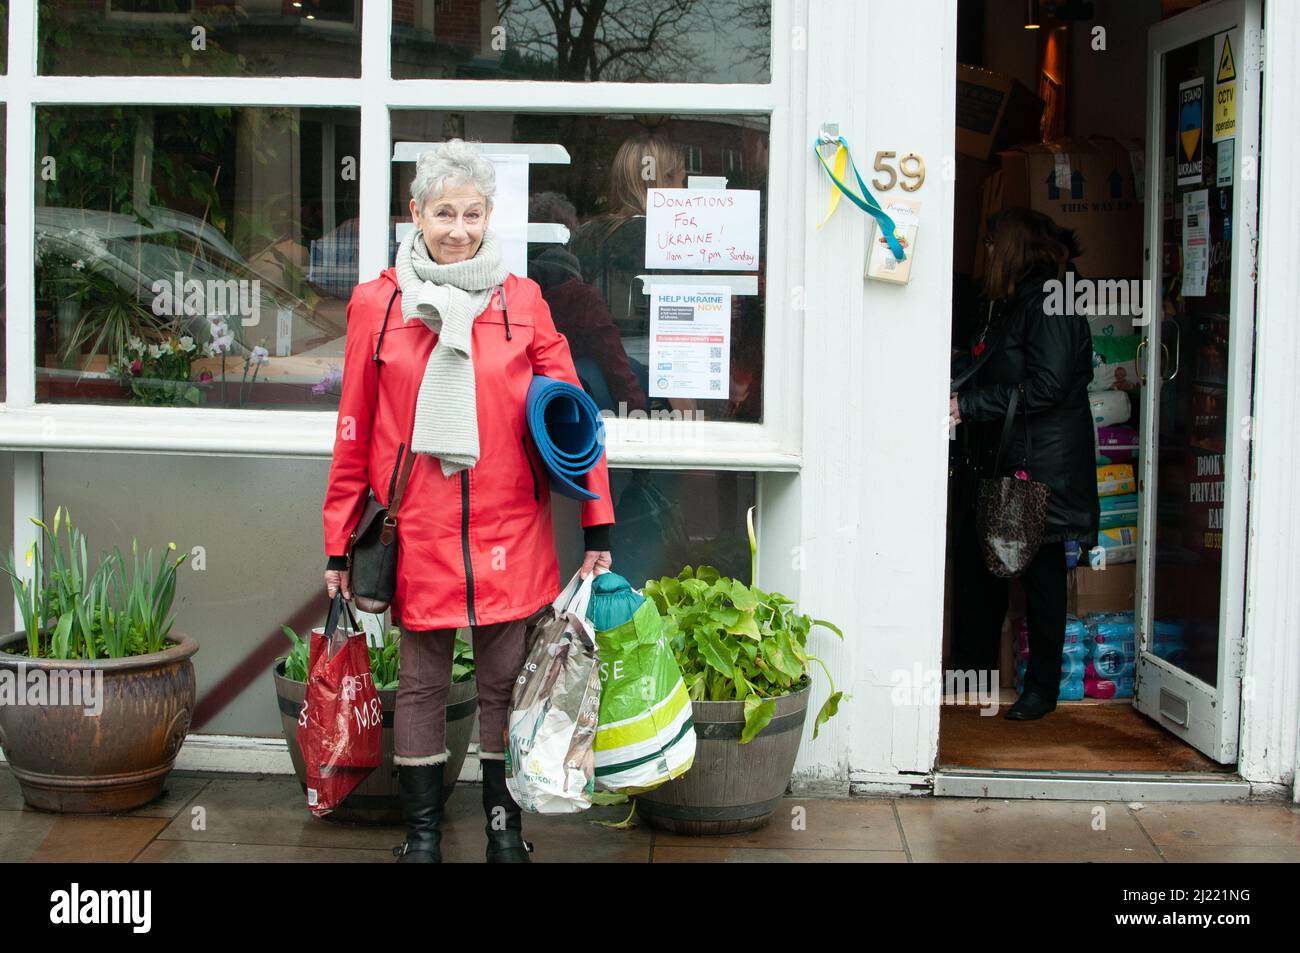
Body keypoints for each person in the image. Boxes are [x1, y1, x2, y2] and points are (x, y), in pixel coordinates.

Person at [321, 139, 614, 863]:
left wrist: (597, 518)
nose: (458, 228)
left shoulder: (524, 301)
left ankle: (502, 831)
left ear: (491, 216)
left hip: (509, 527)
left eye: (473, 213)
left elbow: (576, 416)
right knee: (419, 686)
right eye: (444, 212)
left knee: (503, 687)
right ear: (415, 212)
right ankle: (422, 838)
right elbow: (353, 430)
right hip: (415, 527)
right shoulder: (378, 304)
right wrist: (338, 539)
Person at [949, 207, 1099, 721]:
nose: (986, 253)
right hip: (1020, 458)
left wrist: (969, 406)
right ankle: (973, 672)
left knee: (1040, 573)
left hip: (1044, 467)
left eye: (992, 243)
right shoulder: (1021, 302)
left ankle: (1042, 689)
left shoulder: (1050, 303)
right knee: (988, 558)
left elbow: (1049, 386)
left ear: (1012, 248)